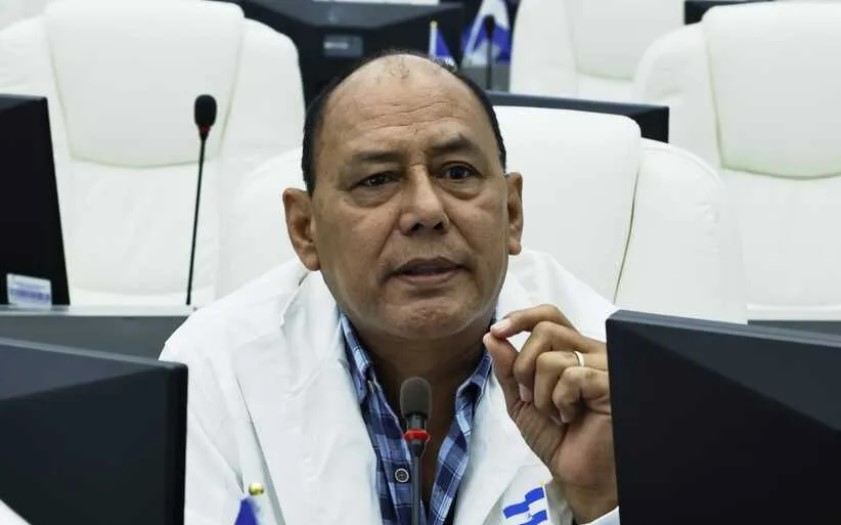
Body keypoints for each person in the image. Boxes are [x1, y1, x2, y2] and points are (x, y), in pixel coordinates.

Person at [161, 50, 619, 525]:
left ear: (512, 213)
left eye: (457, 172)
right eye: (377, 180)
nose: (426, 211)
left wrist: (602, 496)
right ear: (305, 230)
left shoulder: (615, 375)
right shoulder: (211, 371)